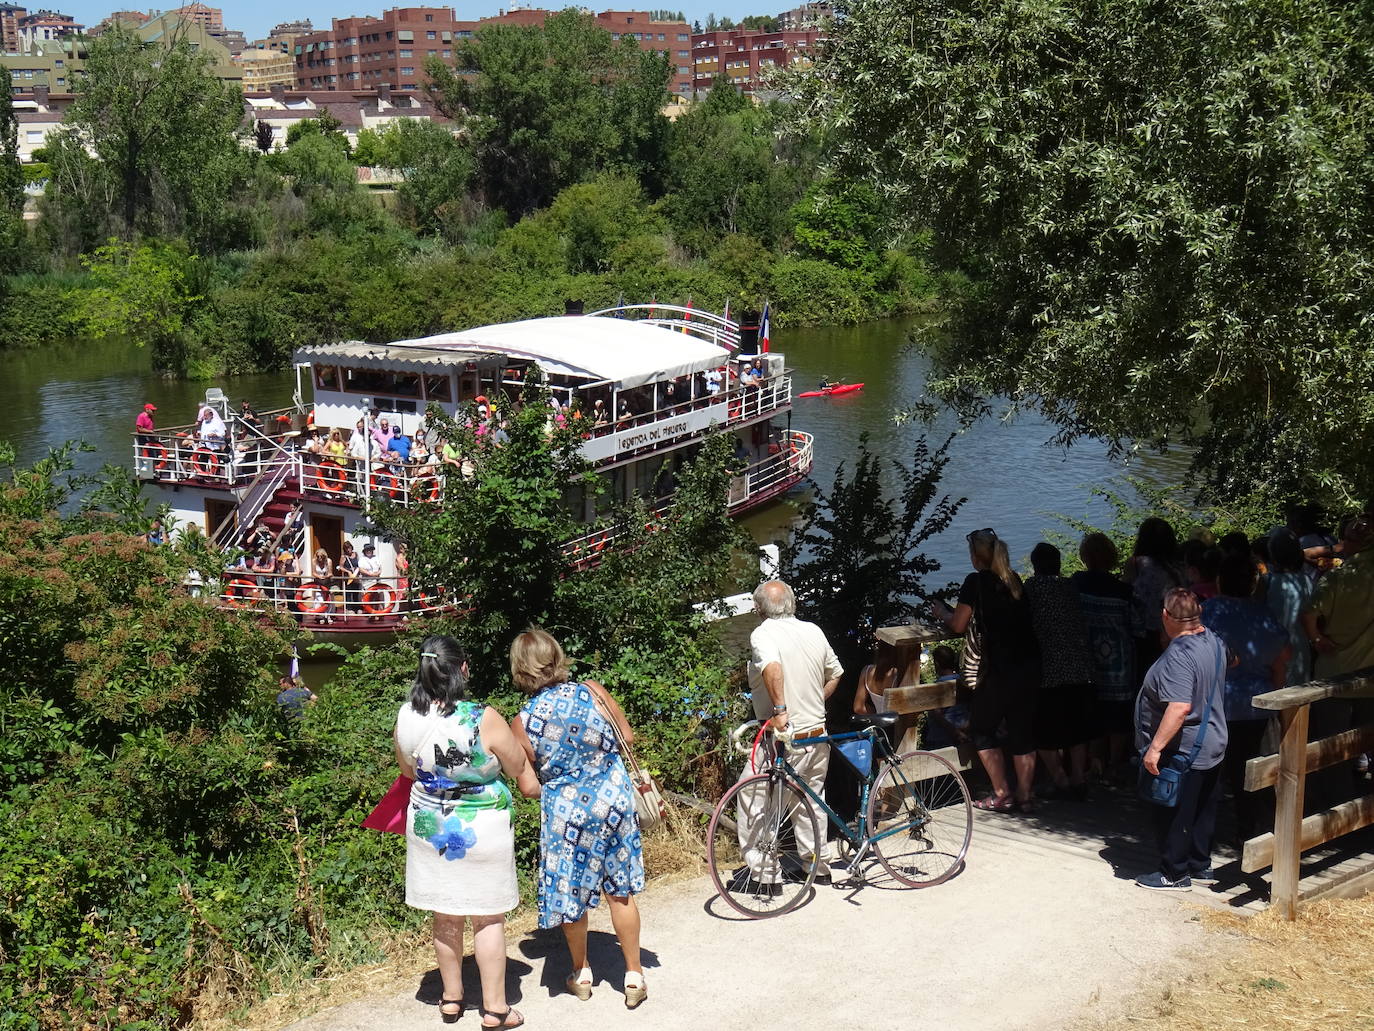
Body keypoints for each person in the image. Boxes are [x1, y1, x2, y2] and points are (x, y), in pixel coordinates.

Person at [395, 636, 539, 1029]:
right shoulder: (483, 716)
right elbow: (516, 768)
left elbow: (408, 771)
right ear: (462, 669)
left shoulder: (407, 715)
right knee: (487, 919)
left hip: (430, 827)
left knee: (446, 915)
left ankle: (451, 999)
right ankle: (495, 1009)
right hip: (483, 828)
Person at [508, 628, 648, 1009]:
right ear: (556, 656)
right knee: (620, 890)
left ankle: (581, 972)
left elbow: (528, 786)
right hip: (613, 802)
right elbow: (628, 738)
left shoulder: (522, 721)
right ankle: (633, 975)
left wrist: (562, 786)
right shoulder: (593, 691)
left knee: (573, 893)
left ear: (520, 670)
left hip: (567, 814)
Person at [735, 580, 844, 880]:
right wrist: (814, 700)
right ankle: (816, 867)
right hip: (817, 734)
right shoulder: (814, 631)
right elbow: (836, 672)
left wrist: (781, 711)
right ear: (792, 604)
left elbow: (772, 668)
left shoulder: (763, 634)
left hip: (782, 736)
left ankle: (766, 875)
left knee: (755, 799)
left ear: (758, 609)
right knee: (811, 800)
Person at [932, 529, 1039, 812]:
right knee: (1022, 732)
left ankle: (1002, 793)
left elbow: (957, 624)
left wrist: (942, 613)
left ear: (975, 557)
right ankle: (1026, 796)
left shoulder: (975, 582)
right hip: (1027, 667)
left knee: (982, 729)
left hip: (996, 670)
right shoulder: (1014, 580)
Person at [1134, 588, 1229, 891]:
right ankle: (1200, 865)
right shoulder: (1213, 639)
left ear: (1165, 615)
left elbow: (1179, 708)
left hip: (1185, 747)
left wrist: (1155, 749)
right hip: (1214, 739)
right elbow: (1234, 659)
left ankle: (1173, 873)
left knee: (1174, 809)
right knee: (1203, 807)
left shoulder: (1180, 654)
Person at [1202, 554, 1290, 845]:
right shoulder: (1263, 616)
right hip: (1256, 705)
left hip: (1214, 704)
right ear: (1252, 584)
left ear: (1220, 580)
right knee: (1248, 769)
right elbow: (1281, 661)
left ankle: (1203, 836)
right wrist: (1277, 703)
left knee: (1210, 771)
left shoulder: (1208, 612)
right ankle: (1247, 829)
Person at [1023, 542, 1094, 800]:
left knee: (1044, 730)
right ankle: (1078, 776)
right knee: (1075, 728)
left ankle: (1060, 780)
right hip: (1078, 667)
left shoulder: (1030, 589)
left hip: (1048, 670)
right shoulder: (1070, 586)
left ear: (1035, 565)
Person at [1070, 532, 1142, 778]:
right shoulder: (1123, 591)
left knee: (1091, 714)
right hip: (1119, 666)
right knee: (1119, 718)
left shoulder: (1076, 584)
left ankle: (1094, 763)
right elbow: (1138, 627)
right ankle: (1114, 764)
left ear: (1085, 557)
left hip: (1087, 663)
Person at [1123, 517, 1186, 676]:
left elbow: (1125, 590)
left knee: (1146, 673)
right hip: (1176, 627)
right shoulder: (1180, 564)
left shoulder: (1136, 563)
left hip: (1144, 630)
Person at [1259, 529, 1316, 686]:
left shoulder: (1265, 582)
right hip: (1300, 650)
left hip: (1272, 649)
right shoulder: (1306, 581)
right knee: (1299, 698)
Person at [920, 646, 970, 750]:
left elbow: (937, 715)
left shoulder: (936, 687)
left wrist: (955, 732)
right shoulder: (964, 682)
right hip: (966, 733)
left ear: (937, 664)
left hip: (941, 739)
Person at [309, 548, 335, 625]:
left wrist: (325, 577)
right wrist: (319, 576)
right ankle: (320, 616)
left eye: (321, 557)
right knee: (319, 599)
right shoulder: (314, 561)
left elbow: (330, 573)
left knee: (328, 599)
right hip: (318, 583)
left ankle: (328, 616)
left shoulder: (329, 561)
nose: (320, 559)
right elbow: (313, 572)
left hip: (327, 583)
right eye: (318, 557)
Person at [339, 540, 361, 615]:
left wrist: (358, 571)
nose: (348, 550)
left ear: (351, 547)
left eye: (349, 548)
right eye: (346, 548)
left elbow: (359, 564)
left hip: (356, 576)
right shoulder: (343, 557)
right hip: (348, 577)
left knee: (356, 593)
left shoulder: (356, 554)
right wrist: (348, 571)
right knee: (348, 593)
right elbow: (341, 567)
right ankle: (349, 608)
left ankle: (357, 608)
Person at [135, 402, 158, 474]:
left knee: (155, 452)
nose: (153, 412)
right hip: (143, 437)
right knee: (147, 453)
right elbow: (139, 429)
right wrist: (149, 431)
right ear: (147, 409)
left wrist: (152, 433)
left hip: (150, 437)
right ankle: (147, 472)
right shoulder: (141, 416)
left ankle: (154, 470)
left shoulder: (150, 417)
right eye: (152, 410)